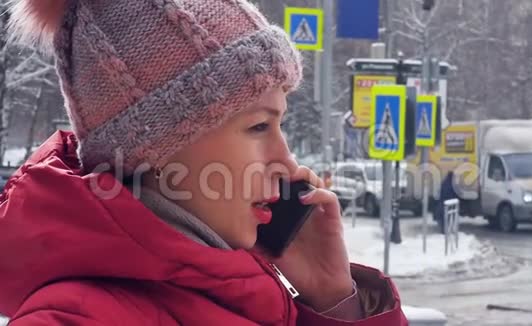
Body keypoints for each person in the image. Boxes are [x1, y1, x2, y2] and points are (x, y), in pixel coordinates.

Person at [0, 0, 408, 325]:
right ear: (155, 147)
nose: (286, 162)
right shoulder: (80, 319)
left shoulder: (246, 291)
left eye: (279, 124)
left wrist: (334, 301)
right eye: (259, 127)